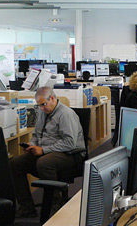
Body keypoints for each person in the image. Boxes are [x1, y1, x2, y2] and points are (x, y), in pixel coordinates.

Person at [10, 86, 86, 218]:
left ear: (52, 98)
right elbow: (36, 135)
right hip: (47, 152)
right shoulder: (42, 113)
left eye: (43, 104)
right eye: (39, 105)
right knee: (15, 163)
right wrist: (32, 145)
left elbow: (70, 143)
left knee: (44, 163)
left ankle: (54, 204)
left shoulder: (65, 114)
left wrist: (43, 149)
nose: (41, 108)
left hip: (71, 154)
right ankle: (26, 207)